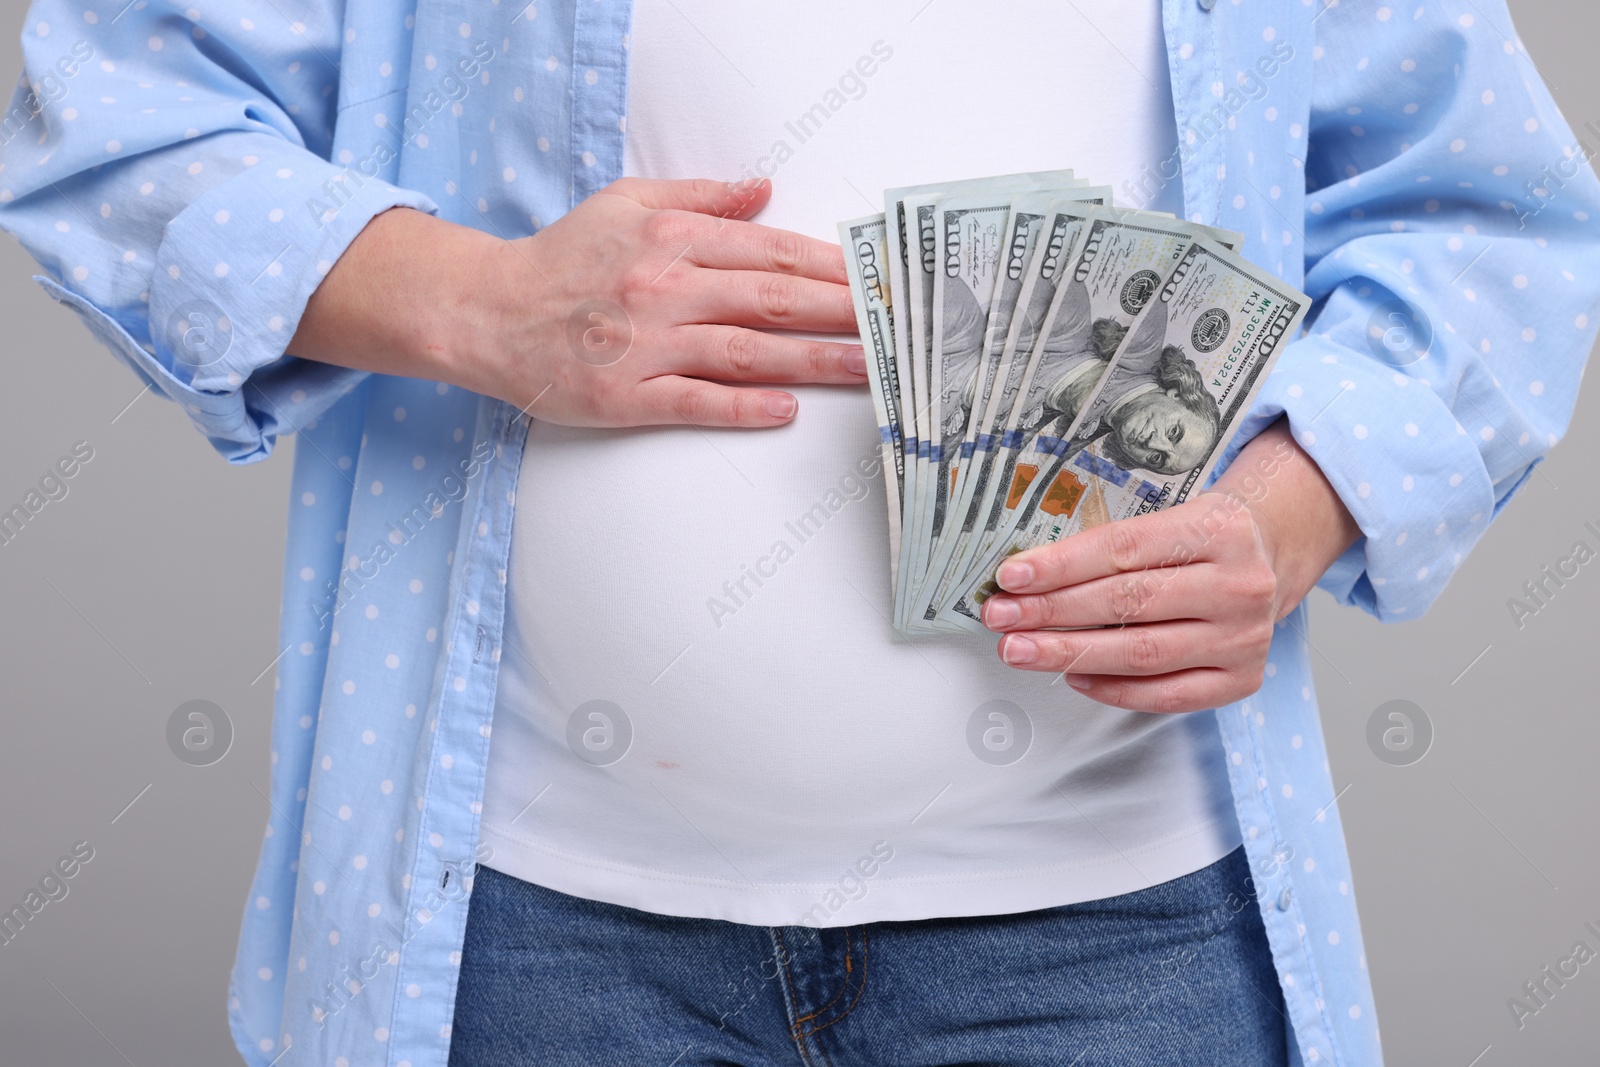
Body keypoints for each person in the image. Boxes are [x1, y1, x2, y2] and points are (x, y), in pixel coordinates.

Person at [2, 2, 1596, 1066]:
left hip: (1125, 932)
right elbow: (119, 118)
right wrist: (477, 302)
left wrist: (1287, 514)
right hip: (522, 932)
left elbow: (1485, 220)